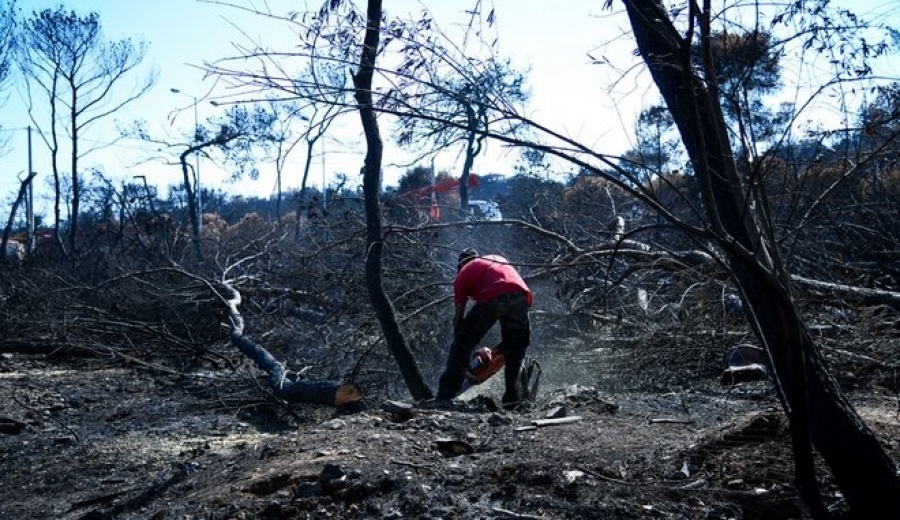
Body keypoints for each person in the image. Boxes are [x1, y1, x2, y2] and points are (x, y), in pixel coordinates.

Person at [436, 248, 533, 410]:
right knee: (515, 350)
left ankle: (445, 395)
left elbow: (458, 315)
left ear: (460, 265)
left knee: (462, 343)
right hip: (520, 296)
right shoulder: (496, 258)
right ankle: (512, 400)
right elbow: (510, 286)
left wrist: (459, 341)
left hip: (493, 296)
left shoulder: (463, 273)